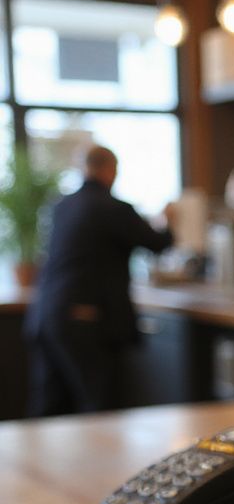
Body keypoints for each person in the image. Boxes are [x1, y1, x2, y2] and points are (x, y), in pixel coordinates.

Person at [24, 145, 175, 416]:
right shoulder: (113, 208)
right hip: (83, 316)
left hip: (46, 313)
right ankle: (100, 460)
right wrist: (168, 221)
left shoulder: (61, 205)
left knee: (50, 403)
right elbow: (157, 243)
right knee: (99, 405)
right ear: (110, 170)